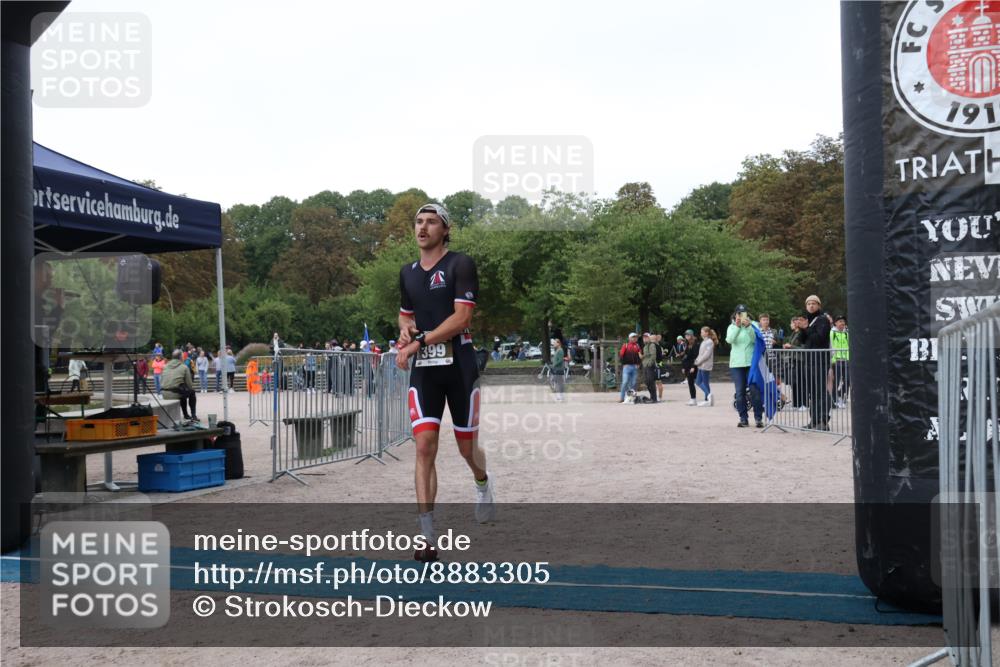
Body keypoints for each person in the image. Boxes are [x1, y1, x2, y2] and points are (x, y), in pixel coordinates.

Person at [394, 202, 494, 563]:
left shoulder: (459, 264)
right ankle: (426, 536)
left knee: (467, 449)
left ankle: (482, 480)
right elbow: (405, 317)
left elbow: (461, 317)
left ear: (445, 230)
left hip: (460, 366)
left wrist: (420, 340)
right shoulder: (406, 273)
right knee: (424, 447)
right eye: (418, 221)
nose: (422, 228)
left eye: (431, 222)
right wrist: (405, 333)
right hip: (426, 371)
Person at [726, 304, 763, 428]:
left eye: (743, 313)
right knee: (740, 392)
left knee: (754, 390)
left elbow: (755, 340)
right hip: (737, 364)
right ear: (735, 315)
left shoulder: (754, 325)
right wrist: (737, 326)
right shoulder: (731, 327)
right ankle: (743, 418)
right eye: (739, 314)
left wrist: (748, 327)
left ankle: (758, 418)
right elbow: (730, 340)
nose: (741, 316)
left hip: (751, 363)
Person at [801, 294, 832, 430]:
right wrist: (802, 329)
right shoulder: (808, 320)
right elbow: (803, 340)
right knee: (812, 393)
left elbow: (819, 338)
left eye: (814, 303)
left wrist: (807, 329)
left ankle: (824, 420)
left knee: (821, 391)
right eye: (808, 304)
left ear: (819, 305)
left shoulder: (823, 320)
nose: (811, 306)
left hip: (820, 361)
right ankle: (814, 420)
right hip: (809, 361)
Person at [161, 349, 198, 421]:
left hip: (164, 393)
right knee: (191, 392)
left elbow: (162, 381)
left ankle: (186, 415)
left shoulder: (165, 366)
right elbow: (190, 385)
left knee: (182, 392)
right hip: (175, 393)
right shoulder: (184, 367)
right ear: (181, 357)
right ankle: (193, 415)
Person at [782, 315, 809, 411]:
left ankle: (805, 404)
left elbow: (804, 348)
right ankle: (796, 403)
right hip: (793, 360)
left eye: (793, 322)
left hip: (800, 360)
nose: (792, 324)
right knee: (795, 383)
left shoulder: (802, 333)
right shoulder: (794, 333)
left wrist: (791, 346)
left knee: (801, 382)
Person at [830, 315, 850, 409]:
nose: (842, 323)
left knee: (848, 380)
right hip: (836, 360)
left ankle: (841, 396)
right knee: (836, 381)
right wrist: (832, 359)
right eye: (840, 321)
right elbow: (831, 346)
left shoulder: (847, 333)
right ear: (836, 323)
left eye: (843, 321)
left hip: (846, 360)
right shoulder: (832, 333)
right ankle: (835, 399)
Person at [694, 327, 718, 406]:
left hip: (705, 365)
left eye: (702, 332)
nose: (701, 333)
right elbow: (701, 354)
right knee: (704, 383)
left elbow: (706, 355)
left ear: (707, 333)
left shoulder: (709, 342)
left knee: (698, 382)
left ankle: (708, 395)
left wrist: (699, 361)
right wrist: (697, 360)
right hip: (701, 365)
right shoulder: (704, 342)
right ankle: (707, 400)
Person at [618, 332, 642, 403]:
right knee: (625, 382)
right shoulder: (625, 345)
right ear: (629, 338)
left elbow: (639, 356)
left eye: (635, 337)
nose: (634, 338)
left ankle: (632, 398)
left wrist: (638, 364)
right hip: (627, 367)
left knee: (634, 383)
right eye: (633, 337)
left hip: (634, 367)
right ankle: (622, 398)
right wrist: (623, 364)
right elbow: (621, 355)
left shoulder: (637, 346)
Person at [680, 329, 699, 405]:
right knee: (690, 383)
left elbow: (696, 356)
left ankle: (707, 396)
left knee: (698, 382)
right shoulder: (687, 344)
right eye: (686, 335)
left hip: (692, 366)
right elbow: (685, 357)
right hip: (687, 366)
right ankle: (693, 399)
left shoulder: (696, 344)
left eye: (688, 335)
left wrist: (693, 366)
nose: (686, 336)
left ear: (691, 335)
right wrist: (683, 367)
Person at [641, 332, 659, 403]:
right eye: (644, 337)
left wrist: (649, 364)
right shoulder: (645, 346)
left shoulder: (651, 345)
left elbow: (653, 355)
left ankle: (654, 399)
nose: (645, 338)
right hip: (645, 366)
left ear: (649, 338)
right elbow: (645, 356)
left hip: (649, 366)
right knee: (647, 382)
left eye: (646, 337)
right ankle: (652, 397)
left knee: (651, 382)